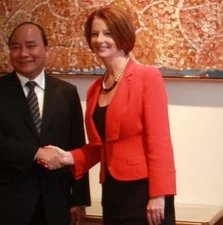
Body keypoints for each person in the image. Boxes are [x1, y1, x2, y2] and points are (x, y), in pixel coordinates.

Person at [43, 6, 176, 225]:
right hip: (112, 192)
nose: (99, 39)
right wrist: (67, 157)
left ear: (122, 36)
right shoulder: (95, 89)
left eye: (108, 33)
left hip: (145, 192)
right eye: (94, 34)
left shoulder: (147, 77)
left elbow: (159, 141)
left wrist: (158, 195)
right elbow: (99, 146)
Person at [0, 21, 90, 225]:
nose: (23, 53)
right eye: (15, 47)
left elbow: (78, 149)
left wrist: (80, 200)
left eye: (31, 45)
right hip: (6, 204)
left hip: (55, 204)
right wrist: (35, 153)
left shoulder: (67, 93)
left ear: (46, 49)